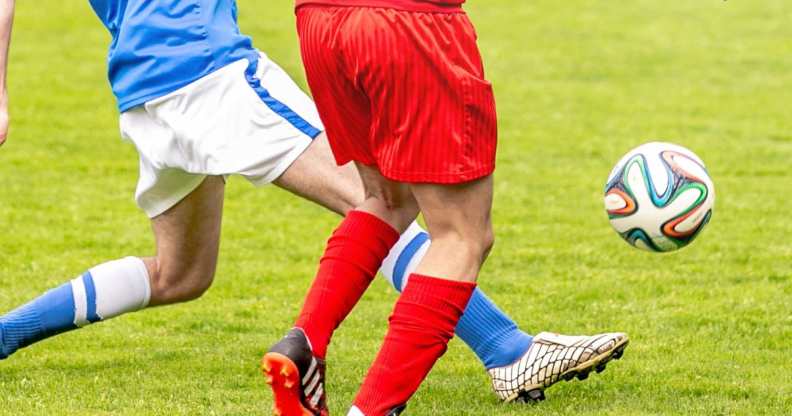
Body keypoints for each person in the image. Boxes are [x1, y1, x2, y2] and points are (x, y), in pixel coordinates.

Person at [0, 0, 622, 410]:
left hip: (142, 87)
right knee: (380, 203)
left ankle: (5, 334)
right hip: (212, 73)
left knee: (180, 274)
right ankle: (508, 350)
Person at [261, 0, 629, 415]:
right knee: (461, 236)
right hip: (407, 25)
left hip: (321, 24)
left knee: (387, 199)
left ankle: (306, 341)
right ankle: (371, 409)